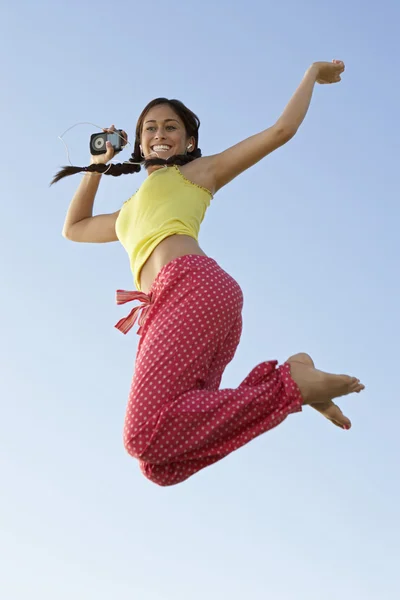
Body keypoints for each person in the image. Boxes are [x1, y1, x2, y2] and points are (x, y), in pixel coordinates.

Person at [52, 59, 364, 486]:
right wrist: (97, 165)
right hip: (168, 309)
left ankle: (289, 385)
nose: (159, 134)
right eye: (150, 128)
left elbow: (280, 131)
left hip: (192, 287)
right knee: (158, 463)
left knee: (141, 434)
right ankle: (292, 378)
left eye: (170, 127)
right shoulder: (127, 213)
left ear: (189, 140)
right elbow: (74, 228)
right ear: (139, 144)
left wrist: (311, 74)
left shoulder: (197, 174)